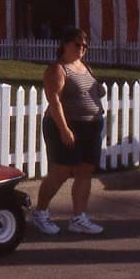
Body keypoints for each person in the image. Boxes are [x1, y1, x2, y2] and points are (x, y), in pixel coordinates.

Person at [30, 26, 105, 236]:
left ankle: (79, 218)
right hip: (65, 125)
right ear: (65, 44)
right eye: (77, 44)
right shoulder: (57, 69)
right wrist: (64, 129)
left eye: (85, 45)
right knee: (60, 171)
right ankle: (40, 212)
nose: (81, 49)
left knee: (85, 170)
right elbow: (54, 100)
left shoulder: (85, 66)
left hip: (91, 125)